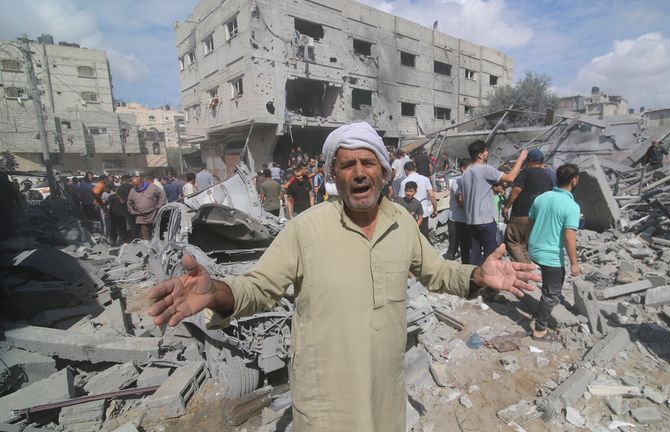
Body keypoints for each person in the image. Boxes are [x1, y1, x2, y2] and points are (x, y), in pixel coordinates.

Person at [146, 121, 540, 432]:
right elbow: (258, 288)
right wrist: (215, 291)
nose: (359, 173)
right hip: (326, 396)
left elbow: (439, 273)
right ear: (334, 173)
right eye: (348, 164)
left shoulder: (402, 222)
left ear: (384, 171)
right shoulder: (306, 228)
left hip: (384, 388)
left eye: (368, 163)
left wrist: (479, 275)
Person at [528, 164, 581, 343]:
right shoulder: (572, 206)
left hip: (534, 249)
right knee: (552, 293)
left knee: (552, 285)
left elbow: (530, 223)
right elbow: (569, 238)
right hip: (550, 256)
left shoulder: (541, 198)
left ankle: (543, 308)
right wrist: (574, 262)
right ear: (574, 180)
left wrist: (531, 242)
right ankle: (540, 330)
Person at [460, 140, 528, 265]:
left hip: (471, 221)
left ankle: (474, 282)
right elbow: (510, 177)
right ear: (480, 155)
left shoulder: (465, 174)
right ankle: (490, 283)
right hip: (486, 221)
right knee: (491, 257)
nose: (488, 153)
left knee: (474, 256)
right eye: (486, 151)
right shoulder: (485, 169)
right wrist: (521, 158)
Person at [502, 148, 555, 263]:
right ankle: (527, 269)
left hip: (522, 214)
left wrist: (506, 206)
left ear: (530, 161)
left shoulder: (526, 172)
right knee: (525, 244)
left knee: (513, 242)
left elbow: (516, 190)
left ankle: (524, 271)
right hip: (539, 217)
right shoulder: (548, 176)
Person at [398, 161, 436, 240]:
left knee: (411, 237)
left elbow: (401, 199)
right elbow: (432, 196)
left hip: (410, 215)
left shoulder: (404, 182)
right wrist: (435, 210)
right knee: (424, 236)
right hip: (424, 212)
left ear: (405, 170)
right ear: (415, 169)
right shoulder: (425, 179)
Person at [445, 159, 471, 262]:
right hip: (455, 219)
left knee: (466, 247)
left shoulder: (471, 182)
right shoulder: (458, 181)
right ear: (463, 168)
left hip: (466, 219)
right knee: (453, 246)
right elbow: (460, 202)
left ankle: (466, 271)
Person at [127, 174, 167, 240]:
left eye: (137, 185)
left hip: (154, 214)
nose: (136, 187)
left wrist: (159, 205)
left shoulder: (152, 187)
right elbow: (129, 203)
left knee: (156, 233)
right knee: (145, 235)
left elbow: (162, 195)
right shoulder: (132, 191)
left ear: (141, 182)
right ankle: (148, 247)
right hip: (142, 217)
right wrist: (133, 211)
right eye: (134, 185)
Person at [107, 178, 129, 246]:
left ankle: (113, 241)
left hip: (113, 214)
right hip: (121, 215)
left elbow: (105, 204)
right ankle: (123, 241)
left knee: (113, 228)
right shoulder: (123, 197)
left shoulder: (111, 196)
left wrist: (106, 212)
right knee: (122, 228)